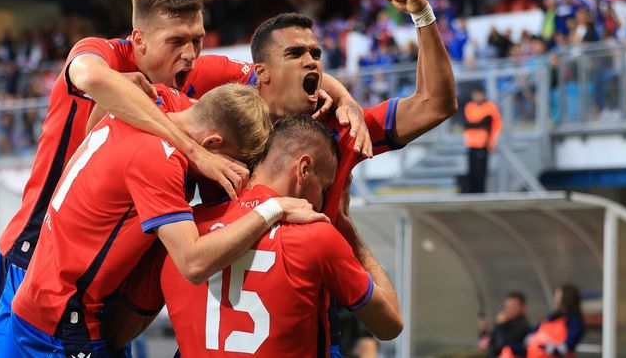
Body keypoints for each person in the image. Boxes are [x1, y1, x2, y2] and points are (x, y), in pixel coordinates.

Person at [0, 0, 248, 358]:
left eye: (197, 40)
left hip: (103, 284)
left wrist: (341, 98)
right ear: (139, 40)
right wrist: (194, 150)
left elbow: (267, 72)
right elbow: (90, 76)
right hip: (32, 256)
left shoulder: (188, 73)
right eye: (176, 41)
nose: (189, 53)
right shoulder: (101, 55)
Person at [10, 85, 328, 357]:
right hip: (64, 322)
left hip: (36, 297)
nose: (237, 175)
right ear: (212, 145)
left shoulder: (155, 101)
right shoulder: (158, 162)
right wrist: (272, 209)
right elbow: (192, 263)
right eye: (235, 163)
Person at [107, 115, 404, 356]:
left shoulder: (181, 235)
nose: (322, 200)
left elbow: (120, 332)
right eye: (323, 188)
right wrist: (349, 231)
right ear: (303, 169)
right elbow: (390, 325)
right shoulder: (317, 236)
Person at [462, 86, 502, 193]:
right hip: (471, 143)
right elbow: (470, 123)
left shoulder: (490, 107)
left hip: (483, 144)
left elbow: (495, 125)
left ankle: (480, 193)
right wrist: (481, 122)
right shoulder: (469, 106)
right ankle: (472, 193)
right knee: (472, 171)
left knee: (481, 173)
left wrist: (492, 142)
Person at [487, 292, 531, 358]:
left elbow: (501, 344)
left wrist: (500, 326)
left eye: (513, 307)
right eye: (507, 307)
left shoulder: (522, 326)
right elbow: (492, 345)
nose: (509, 310)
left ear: (522, 307)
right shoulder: (504, 323)